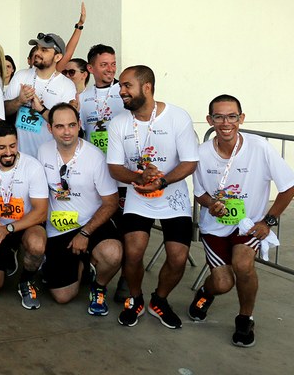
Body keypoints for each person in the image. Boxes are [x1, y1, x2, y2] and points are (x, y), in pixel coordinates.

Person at [189, 95, 294, 347]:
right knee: (223, 283)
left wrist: (268, 220)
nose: (226, 122)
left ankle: (245, 317)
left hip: (249, 224)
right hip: (215, 228)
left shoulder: (259, 147)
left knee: (243, 264)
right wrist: (210, 205)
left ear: (241, 118)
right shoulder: (201, 153)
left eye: (232, 116)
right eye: (219, 116)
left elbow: (288, 186)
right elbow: (199, 192)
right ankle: (206, 291)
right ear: (209, 120)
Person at [106, 65, 198, 329]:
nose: (121, 91)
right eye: (120, 86)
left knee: (178, 256)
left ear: (146, 87)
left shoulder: (177, 117)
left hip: (173, 197)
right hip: (139, 196)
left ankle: (160, 299)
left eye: (126, 86)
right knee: (133, 252)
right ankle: (135, 299)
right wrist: (139, 179)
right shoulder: (119, 123)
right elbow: (113, 167)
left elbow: (190, 162)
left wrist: (162, 180)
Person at [37, 103, 121, 315]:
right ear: (50, 129)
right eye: (60, 126)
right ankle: (81, 265)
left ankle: (98, 286)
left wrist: (85, 232)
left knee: (112, 253)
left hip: (90, 223)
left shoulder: (95, 156)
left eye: (72, 125)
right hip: (58, 228)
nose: (67, 131)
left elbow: (111, 202)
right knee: (62, 297)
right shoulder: (43, 151)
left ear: (79, 125)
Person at [0, 121, 49, 310]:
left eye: (12, 146)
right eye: (2, 147)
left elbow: (40, 211)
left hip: (25, 225)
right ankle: (8, 255)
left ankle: (27, 281)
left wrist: (7, 229)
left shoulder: (33, 167)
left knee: (37, 244)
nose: (8, 152)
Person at [78, 44, 128, 302]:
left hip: (123, 176)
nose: (110, 69)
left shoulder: (124, 93)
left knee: (127, 228)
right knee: (99, 222)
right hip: (97, 175)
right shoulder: (83, 98)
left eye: (113, 64)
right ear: (91, 68)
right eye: (104, 65)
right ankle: (91, 265)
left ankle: (127, 281)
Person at [4, 33, 76, 157]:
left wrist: (41, 109)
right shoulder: (21, 76)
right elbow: (3, 110)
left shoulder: (67, 85)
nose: (37, 52)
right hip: (20, 156)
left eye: (44, 50)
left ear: (57, 57)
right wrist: (19, 101)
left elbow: (64, 124)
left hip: (50, 156)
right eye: (37, 48)